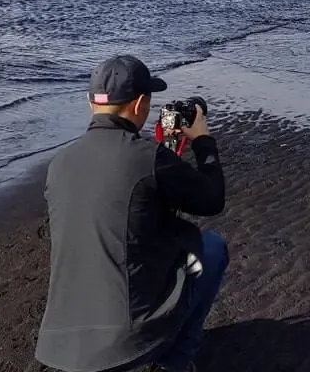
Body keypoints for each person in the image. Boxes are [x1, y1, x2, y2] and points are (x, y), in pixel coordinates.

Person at [35, 54, 228, 372]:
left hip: (59, 345)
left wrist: (164, 154)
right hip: (125, 344)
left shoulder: (59, 165)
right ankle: (173, 363)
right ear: (140, 105)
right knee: (211, 249)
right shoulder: (148, 159)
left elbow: (125, 203)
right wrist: (204, 141)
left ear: (90, 103)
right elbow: (211, 200)